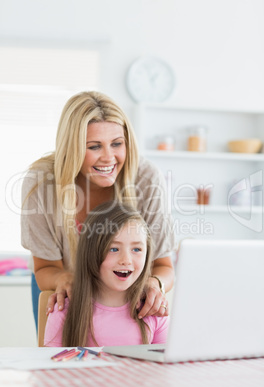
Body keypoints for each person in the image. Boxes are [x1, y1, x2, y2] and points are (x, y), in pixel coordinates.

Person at [21, 91, 176, 330]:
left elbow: (163, 266)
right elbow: (45, 268)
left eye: (117, 143)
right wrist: (63, 279)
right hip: (64, 292)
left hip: (126, 297)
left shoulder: (147, 178)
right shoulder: (42, 183)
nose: (108, 158)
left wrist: (155, 283)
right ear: (71, 148)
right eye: (94, 146)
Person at [44, 202, 169, 346]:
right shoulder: (63, 312)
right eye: (114, 249)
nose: (126, 260)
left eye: (136, 249)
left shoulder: (155, 312)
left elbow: (165, 366)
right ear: (90, 253)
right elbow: (52, 366)